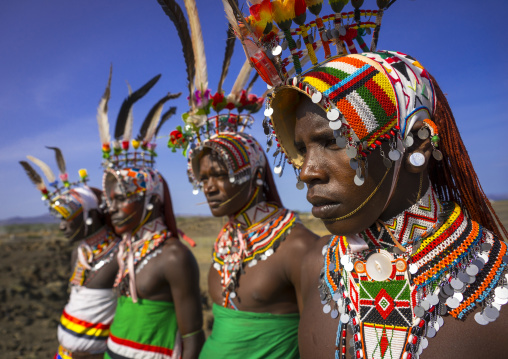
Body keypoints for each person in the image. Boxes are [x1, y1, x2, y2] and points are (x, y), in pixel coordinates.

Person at [96, 69, 204, 359]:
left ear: (151, 201)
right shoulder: (127, 250)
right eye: (110, 200)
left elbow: (193, 339)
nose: (112, 208)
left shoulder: (174, 257)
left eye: (122, 199)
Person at [20, 148, 120, 359]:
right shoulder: (79, 252)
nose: (62, 227)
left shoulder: (119, 254)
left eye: (67, 218)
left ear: (90, 215)